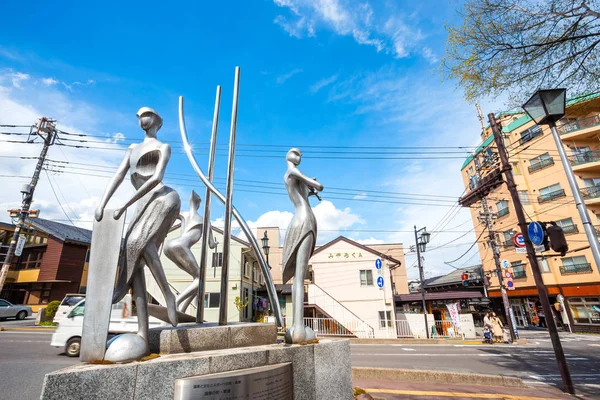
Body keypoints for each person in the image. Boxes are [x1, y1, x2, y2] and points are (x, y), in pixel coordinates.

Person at [95, 107, 181, 346]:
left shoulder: (164, 147)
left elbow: (156, 179)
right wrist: (103, 203)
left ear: (157, 121)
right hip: (140, 202)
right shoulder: (132, 149)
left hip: (163, 198)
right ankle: (142, 331)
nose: (143, 119)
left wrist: (123, 205)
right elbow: (119, 175)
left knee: (137, 242)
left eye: (147, 115)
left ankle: (167, 294)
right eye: (139, 116)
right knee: (132, 255)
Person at [282, 148, 323, 344]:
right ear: (288, 156)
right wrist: (312, 183)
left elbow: (305, 194)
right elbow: (319, 185)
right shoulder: (292, 172)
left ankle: (297, 327)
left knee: (299, 277)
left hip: (300, 219)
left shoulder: (292, 177)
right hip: (305, 220)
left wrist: (308, 190)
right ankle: (298, 328)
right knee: (299, 276)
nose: (299, 156)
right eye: (295, 152)